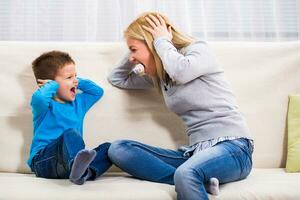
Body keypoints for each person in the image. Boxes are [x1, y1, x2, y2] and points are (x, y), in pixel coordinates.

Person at [107, 12, 253, 200]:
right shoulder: (160, 78)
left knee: (186, 173)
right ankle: (199, 180)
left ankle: (192, 178)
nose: (131, 58)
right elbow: (117, 78)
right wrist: (137, 46)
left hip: (234, 148)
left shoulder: (198, 50)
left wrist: (158, 41)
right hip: (196, 153)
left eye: (133, 50)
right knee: (119, 149)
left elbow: (181, 72)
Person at [27, 50, 111, 185]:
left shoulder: (79, 103)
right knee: (71, 134)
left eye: (75, 76)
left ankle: (83, 172)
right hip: (43, 161)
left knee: (109, 149)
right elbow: (39, 97)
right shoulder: (44, 106)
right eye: (69, 77)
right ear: (49, 84)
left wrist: (74, 80)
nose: (75, 81)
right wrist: (53, 84)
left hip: (69, 165)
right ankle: (77, 167)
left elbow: (97, 92)